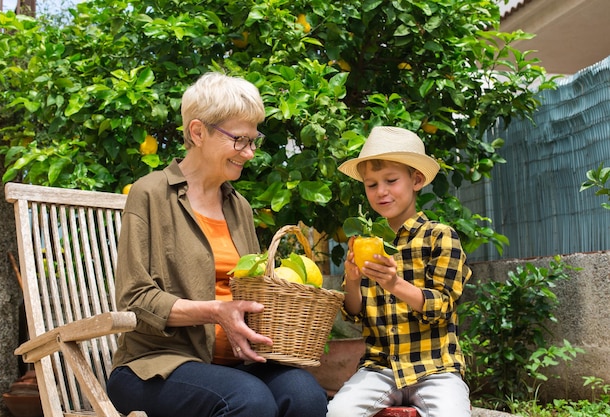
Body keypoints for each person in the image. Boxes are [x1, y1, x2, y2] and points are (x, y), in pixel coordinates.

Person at [106, 71, 328, 417]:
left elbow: (254, 289)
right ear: (198, 132)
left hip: (235, 365)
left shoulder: (238, 205)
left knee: (305, 396)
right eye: (239, 140)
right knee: (248, 399)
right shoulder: (149, 193)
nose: (250, 153)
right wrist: (215, 311)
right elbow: (135, 298)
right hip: (155, 365)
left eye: (254, 140)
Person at [327, 126, 472, 417]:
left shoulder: (440, 237)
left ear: (416, 179)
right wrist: (353, 282)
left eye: (391, 181)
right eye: (371, 184)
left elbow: (442, 306)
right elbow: (353, 313)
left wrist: (394, 283)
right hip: (380, 368)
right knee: (337, 413)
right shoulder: (365, 242)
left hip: (435, 368)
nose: (381, 192)